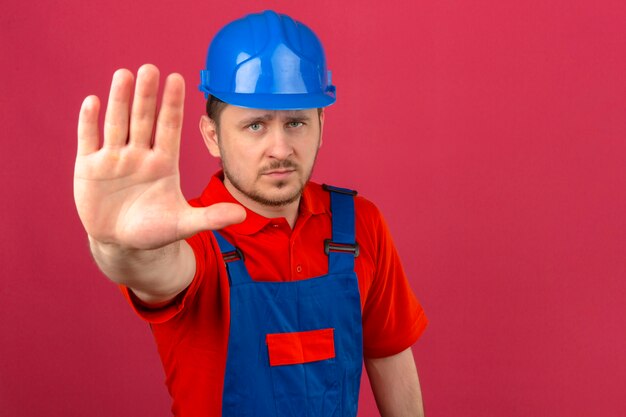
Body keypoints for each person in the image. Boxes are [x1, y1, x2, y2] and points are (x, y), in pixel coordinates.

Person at [74, 10, 428, 417]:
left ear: (321, 124)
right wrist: (115, 245)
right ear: (212, 135)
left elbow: (389, 355)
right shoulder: (186, 234)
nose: (280, 149)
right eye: (255, 126)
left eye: (295, 123)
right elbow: (149, 268)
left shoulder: (361, 223)